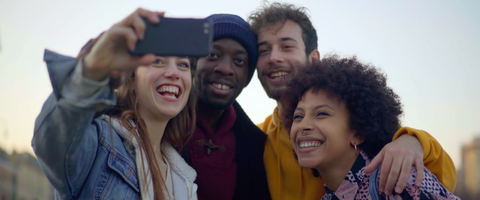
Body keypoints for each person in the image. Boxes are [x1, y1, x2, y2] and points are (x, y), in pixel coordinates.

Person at [247, 2, 457, 199]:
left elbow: (442, 179)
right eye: (264, 50)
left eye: (286, 47)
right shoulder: (255, 138)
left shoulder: (362, 125)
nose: (273, 57)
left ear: (313, 58)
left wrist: (415, 142)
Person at [32, 8, 197, 200]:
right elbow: (51, 144)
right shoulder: (100, 143)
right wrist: (89, 73)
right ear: (132, 78)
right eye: (158, 61)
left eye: (183, 64)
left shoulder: (185, 182)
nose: (174, 73)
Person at [282, 55, 459, 200]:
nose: (303, 125)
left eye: (321, 114)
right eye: (298, 116)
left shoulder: (396, 182)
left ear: (358, 131)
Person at [181, 14, 270, 200]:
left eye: (239, 61)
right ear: (193, 63)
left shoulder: (257, 147)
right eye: (213, 55)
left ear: (247, 77)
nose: (225, 68)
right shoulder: (157, 124)